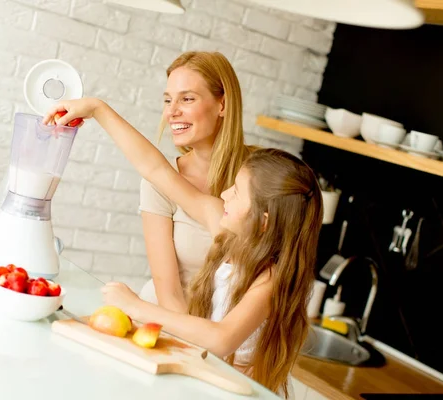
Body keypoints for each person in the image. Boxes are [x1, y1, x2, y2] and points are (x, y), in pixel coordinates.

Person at [43, 99, 323, 398]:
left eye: (237, 192)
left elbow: (222, 339)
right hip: (207, 378)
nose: (225, 193)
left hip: (239, 391)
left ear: (263, 221)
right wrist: (99, 110)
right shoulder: (225, 228)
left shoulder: (271, 277)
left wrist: (137, 307)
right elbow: (157, 170)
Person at [139, 51, 253, 313]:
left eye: (187, 99)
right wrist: (192, 343)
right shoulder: (161, 181)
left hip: (224, 335)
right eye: (168, 101)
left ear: (222, 105)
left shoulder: (259, 173)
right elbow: (168, 291)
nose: (172, 112)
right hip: (169, 321)